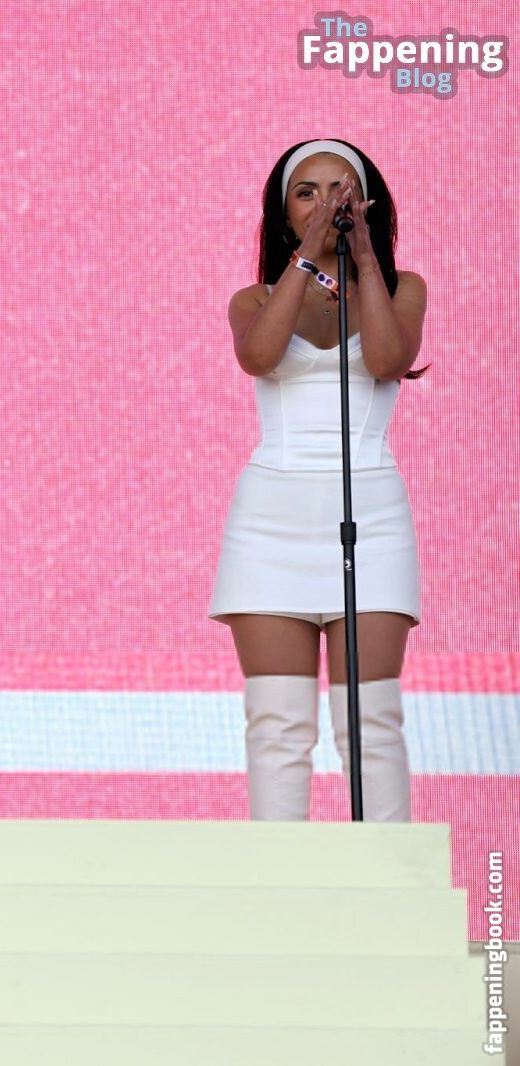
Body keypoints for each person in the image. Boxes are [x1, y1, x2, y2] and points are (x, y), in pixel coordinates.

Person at [211, 139, 427, 822]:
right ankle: (281, 882)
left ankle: (389, 877)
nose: (325, 202)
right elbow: (259, 357)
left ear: (367, 205)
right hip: (270, 521)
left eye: (341, 190)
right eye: (306, 192)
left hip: (372, 515)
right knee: (277, 726)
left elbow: (388, 360)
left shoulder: (402, 288)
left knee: (371, 723)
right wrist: (306, 259)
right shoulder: (254, 298)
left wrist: (363, 256)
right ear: (284, 214)